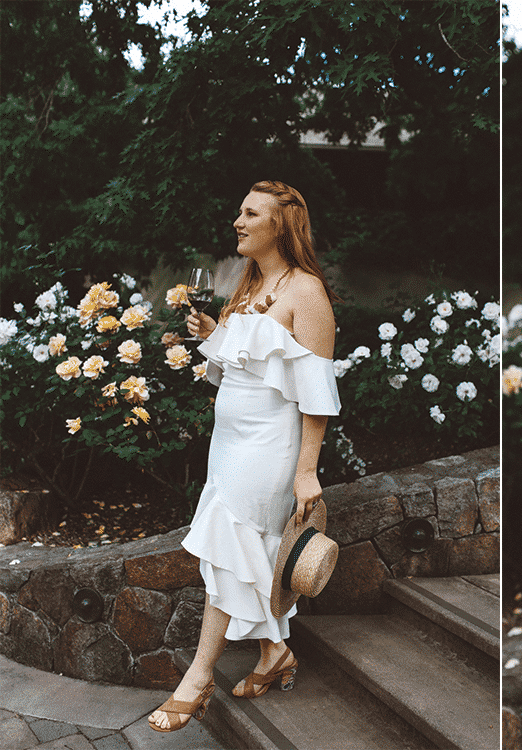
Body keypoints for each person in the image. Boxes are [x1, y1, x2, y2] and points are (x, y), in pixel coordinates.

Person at [149, 180, 341, 732]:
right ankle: (273, 654)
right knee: (243, 548)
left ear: (280, 225)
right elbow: (242, 367)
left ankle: (198, 676)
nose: (238, 220)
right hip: (229, 444)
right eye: (239, 210)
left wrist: (307, 470)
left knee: (229, 546)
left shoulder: (307, 292)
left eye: (250, 213)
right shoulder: (248, 285)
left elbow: (317, 394)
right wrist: (214, 334)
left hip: (271, 447)